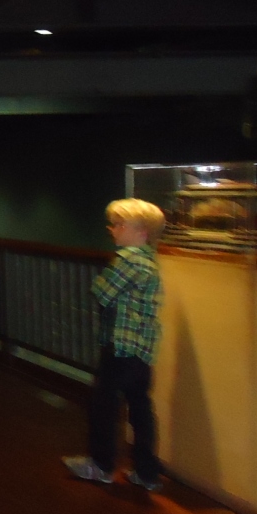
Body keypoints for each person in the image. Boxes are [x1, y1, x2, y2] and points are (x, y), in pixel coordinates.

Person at [63, 198, 165, 491]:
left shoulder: (128, 259)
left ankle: (101, 465)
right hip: (142, 349)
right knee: (141, 409)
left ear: (141, 231)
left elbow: (101, 292)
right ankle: (146, 472)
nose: (112, 229)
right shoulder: (150, 261)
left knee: (103, 406)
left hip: (120, 347)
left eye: (119, 225)